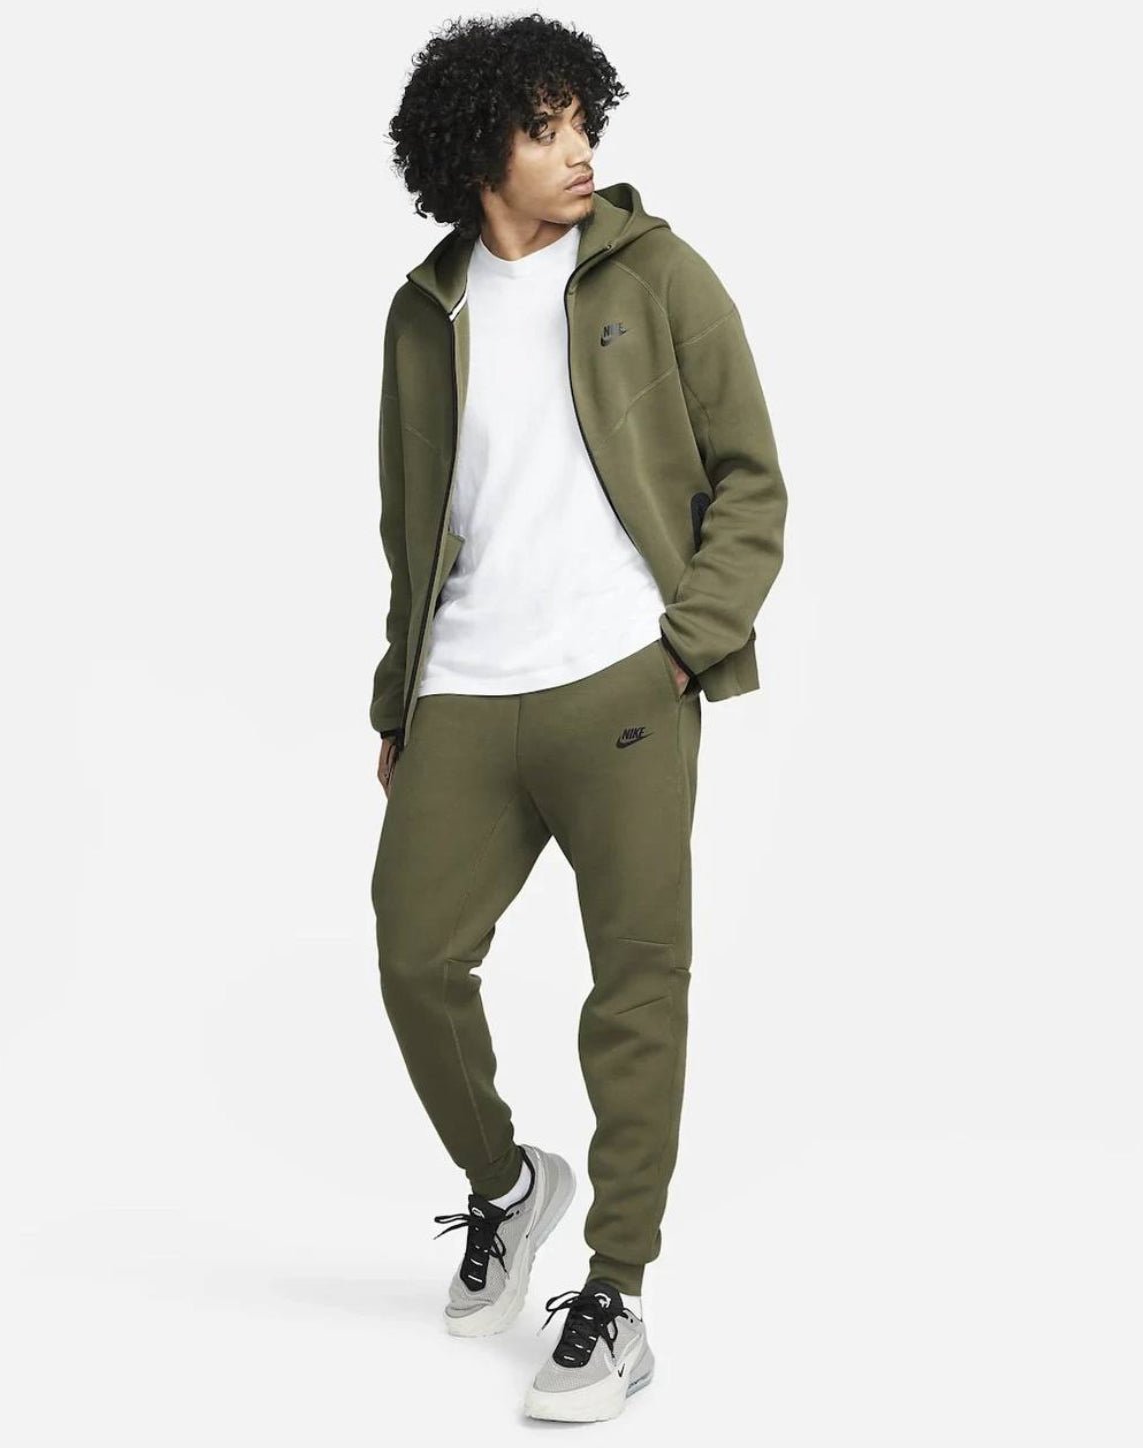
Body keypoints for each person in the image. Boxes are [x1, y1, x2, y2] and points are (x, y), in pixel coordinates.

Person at [369, 14, 787, 1422]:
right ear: (474, 149)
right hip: (465, 690)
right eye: (543, 128)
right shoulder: (423, 310)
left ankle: (615, 1293)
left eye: (583, 121)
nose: (579, 150)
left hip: (621, 680)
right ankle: (507, 1185)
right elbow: (411, 523)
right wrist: (398, 696)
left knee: (637, 988)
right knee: (416, 955)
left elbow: (751, 478)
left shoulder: (658, 272)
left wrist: (688, 645)